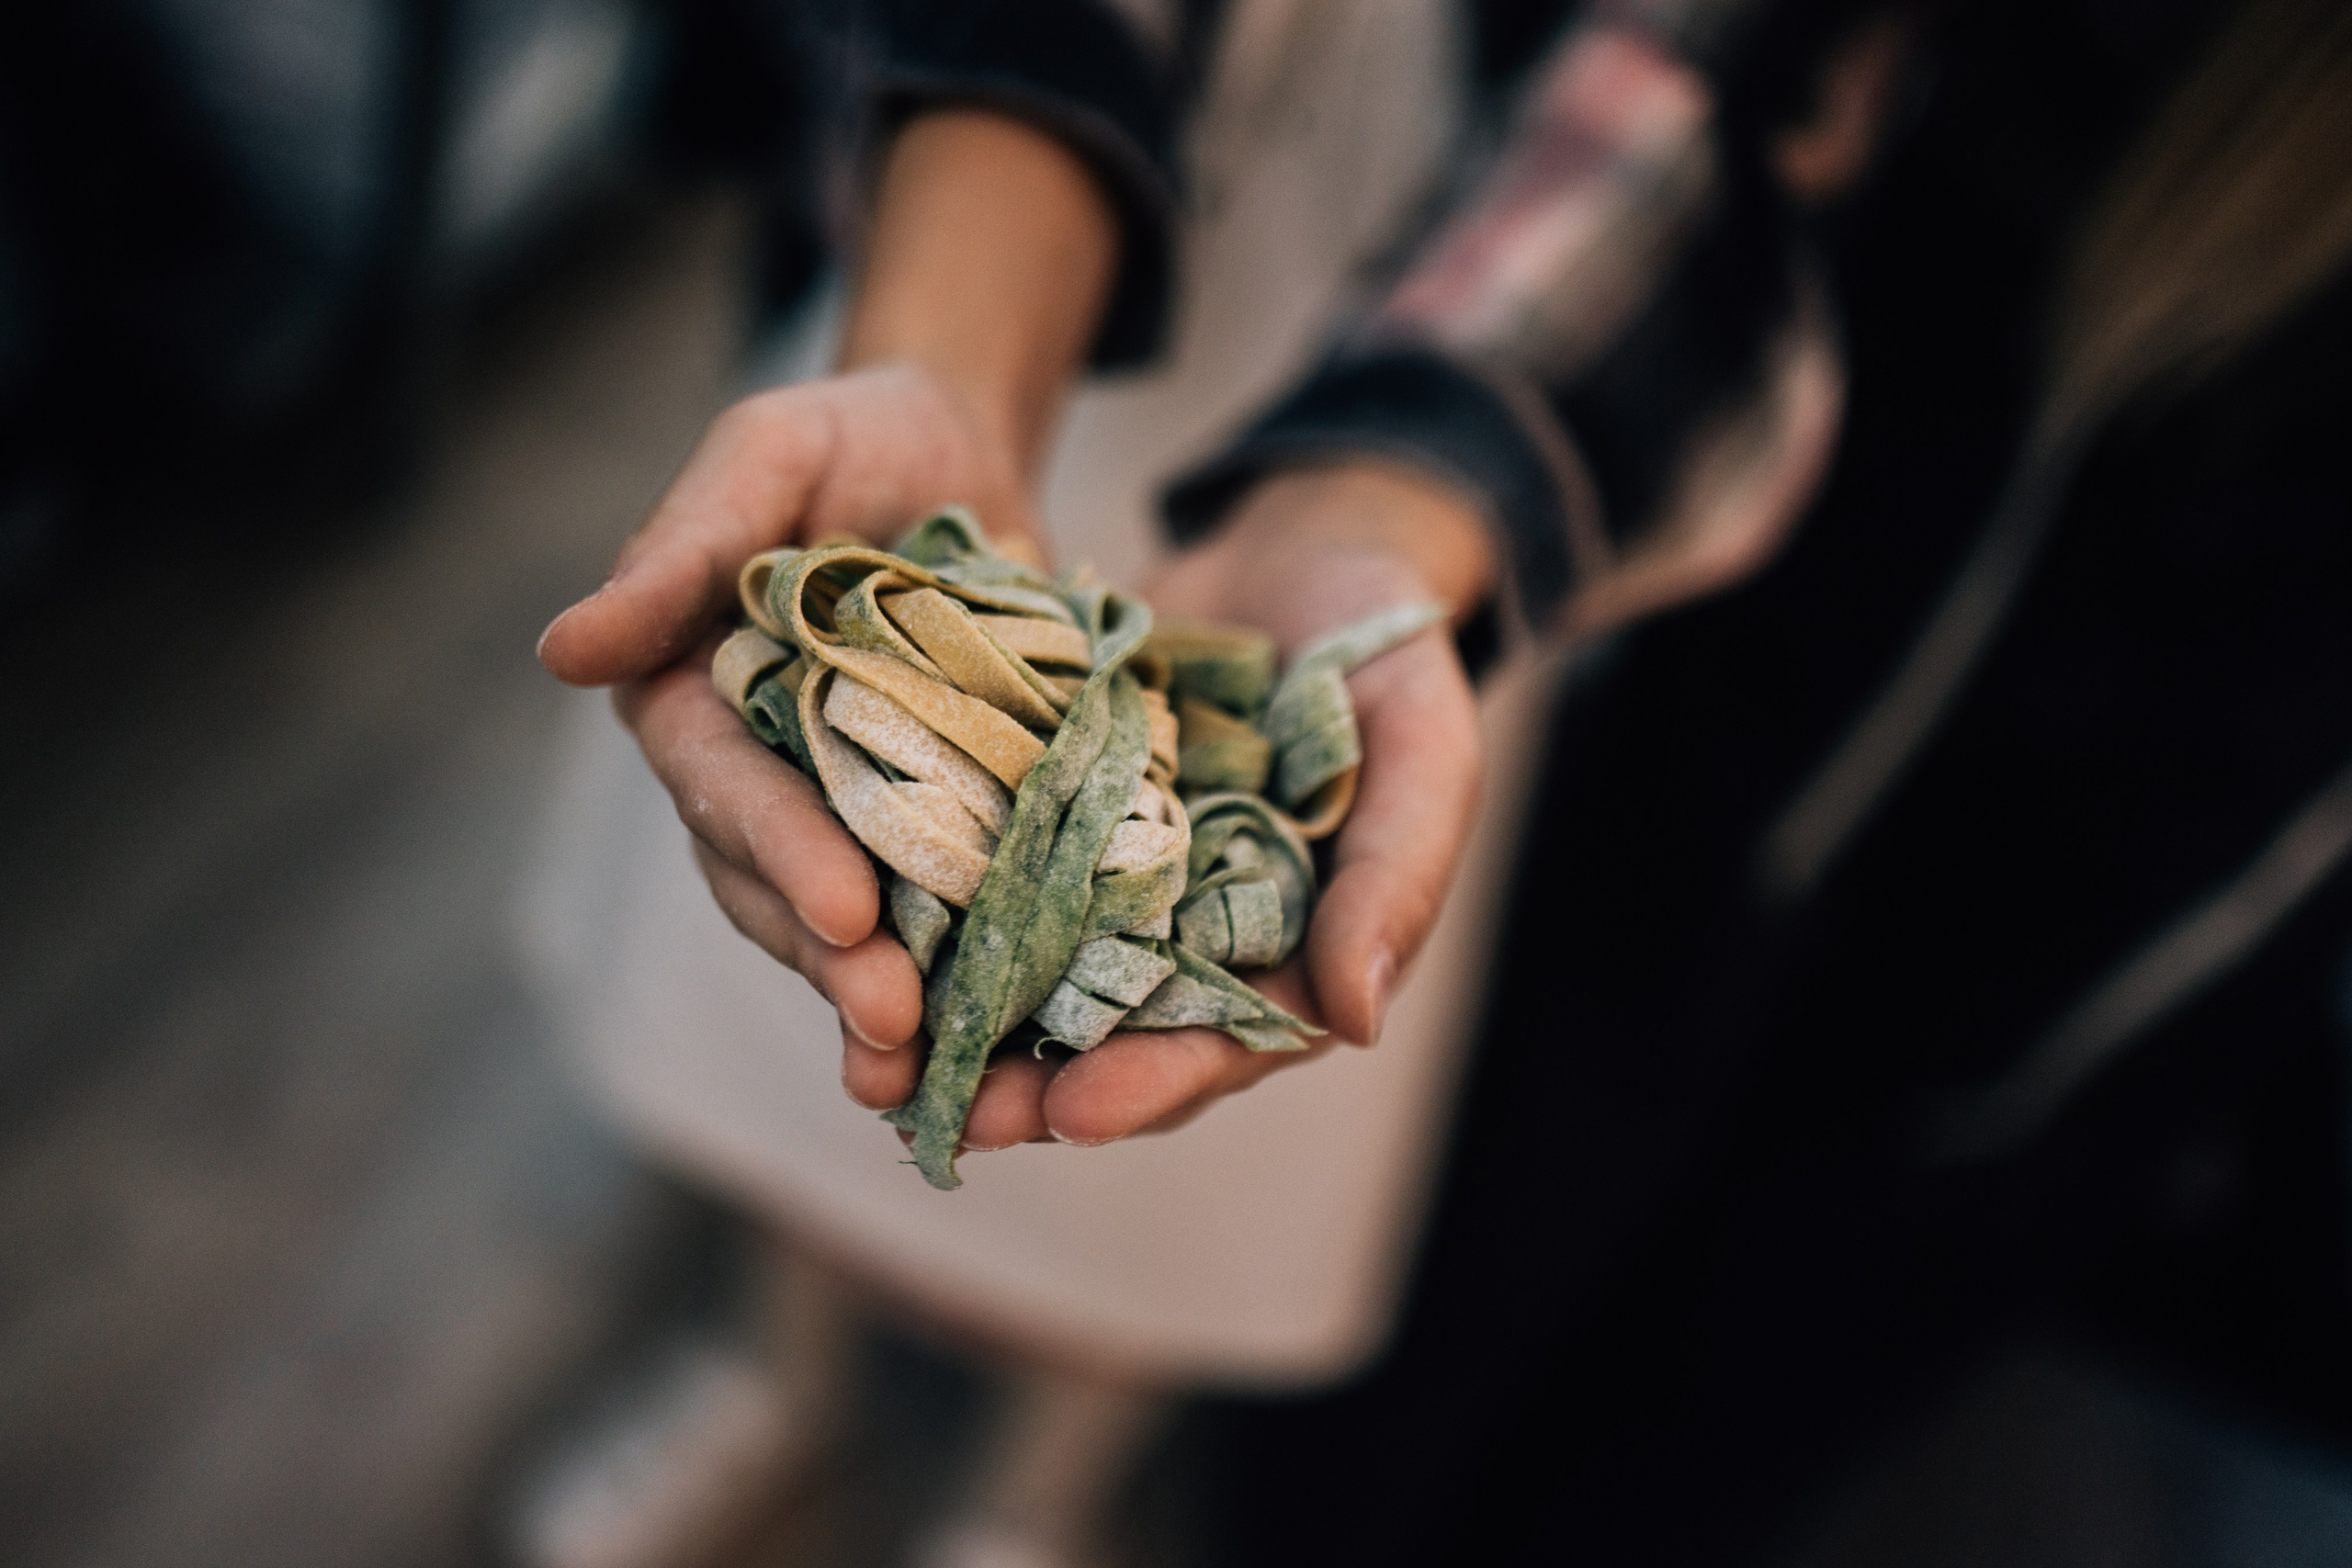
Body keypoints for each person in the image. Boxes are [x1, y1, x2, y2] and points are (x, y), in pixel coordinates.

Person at [540, 0, 2352, 1562]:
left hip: (1444, 442)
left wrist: (1393, 500)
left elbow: (1706, 83)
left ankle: (1032, 1507)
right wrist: (951, 317)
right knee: (812, 1000)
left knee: (1190, 1136)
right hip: (1034, 314)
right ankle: (769, 1373)